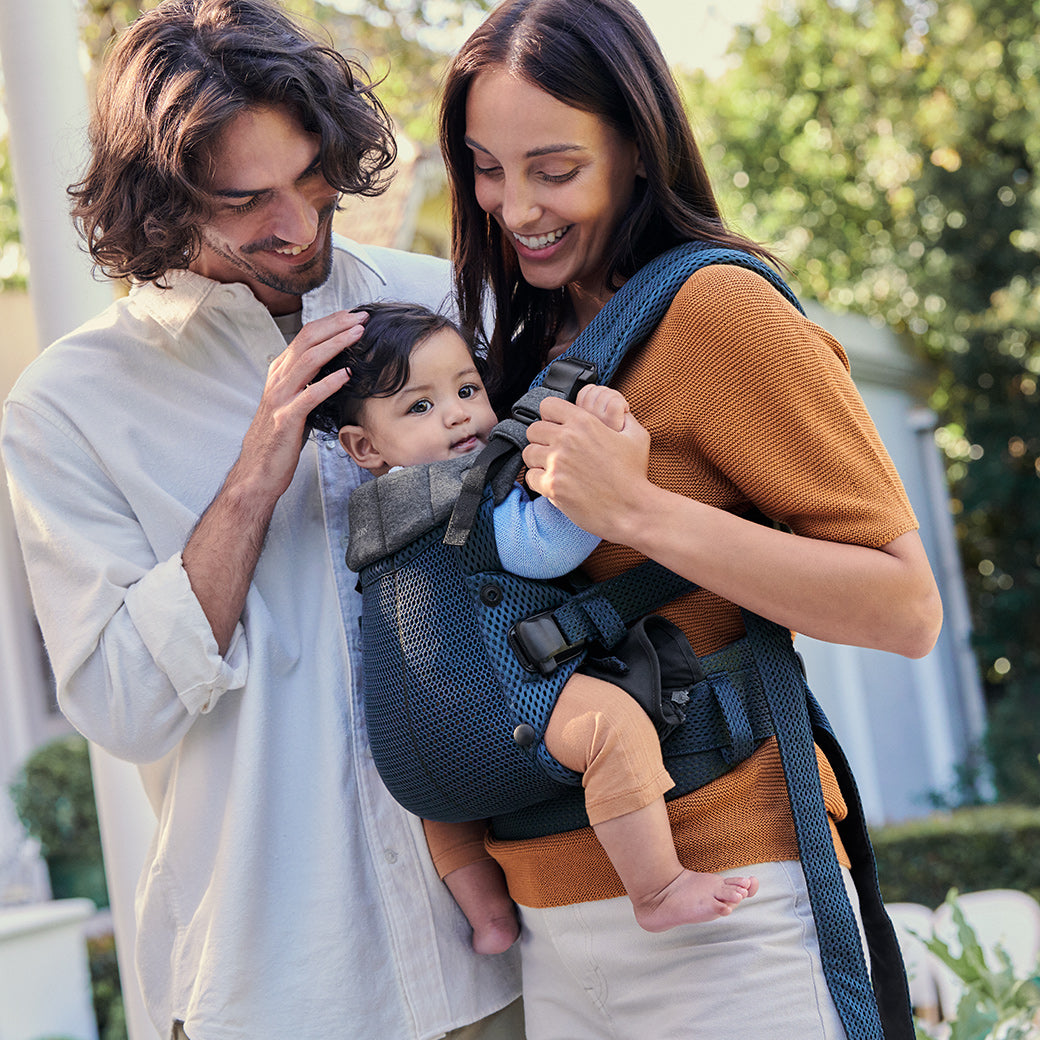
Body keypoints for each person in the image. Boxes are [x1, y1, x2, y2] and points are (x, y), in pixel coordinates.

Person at [0, 2, 523, 1038]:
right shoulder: (70, 404)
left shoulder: (451, 307)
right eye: (248, 200)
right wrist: (254, 473)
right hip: (280, 982)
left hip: (508, 956)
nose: (295, 225)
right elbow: (122, 706)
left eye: (309, 182)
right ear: (155, 202)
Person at [438, 1, 944, 1038]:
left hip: (728, 912)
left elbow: (905, 605)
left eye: (552, 166)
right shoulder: (510, 349)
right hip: (551, 921)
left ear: (634, 145)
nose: (513, 205)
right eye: (486, 168)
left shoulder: (717, 312)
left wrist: (635, 509)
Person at [307, 300, 758, 950]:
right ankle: (657, 888)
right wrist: (611, 484)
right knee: (613, 728)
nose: (459, 413)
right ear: (362, 446)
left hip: (412, 758)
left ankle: (489, 916)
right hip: (509, 715)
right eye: (420, 406)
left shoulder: (371, 521)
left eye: (466, 389)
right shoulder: (471, 488)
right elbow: (542, 547)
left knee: (447, 814)